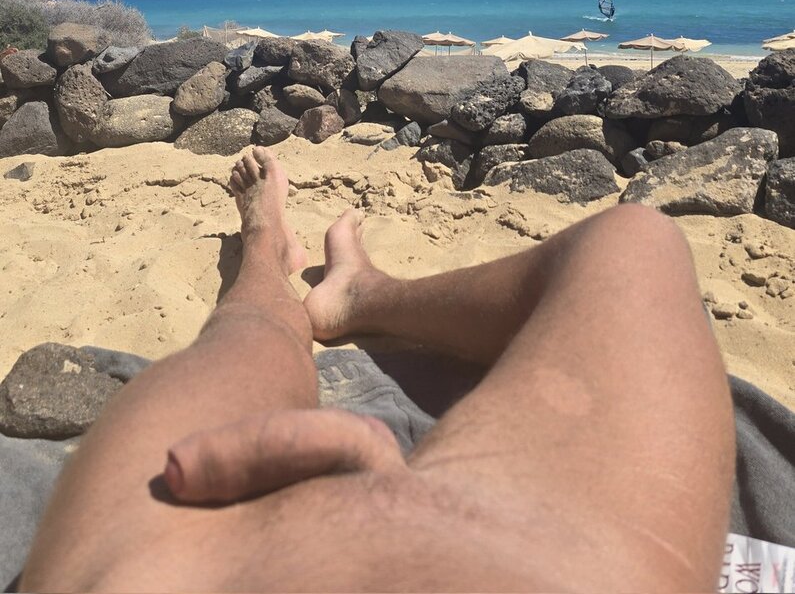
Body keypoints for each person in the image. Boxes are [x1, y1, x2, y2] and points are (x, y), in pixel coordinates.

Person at [21, 147, 734, 593]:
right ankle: (360, 293)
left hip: (162, 571)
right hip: (562, 565)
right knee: (634, 244)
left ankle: (267, 247)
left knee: (252, 336)